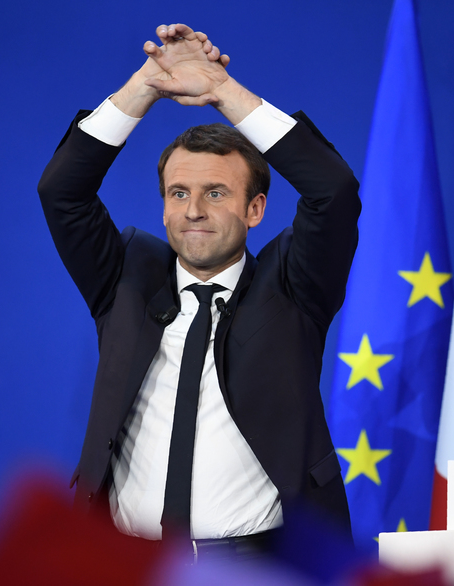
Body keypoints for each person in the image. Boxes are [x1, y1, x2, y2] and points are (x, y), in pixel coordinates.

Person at [38, 23, 360, 559]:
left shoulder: (295, 287)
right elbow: (62, 191)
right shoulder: (123, 278)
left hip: (257, 564)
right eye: (178, 193)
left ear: (255, 209)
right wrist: (144, 86)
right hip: (128, 561)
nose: (192, 211)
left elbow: (334, 190)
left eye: (215, 193)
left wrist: (222, 91)